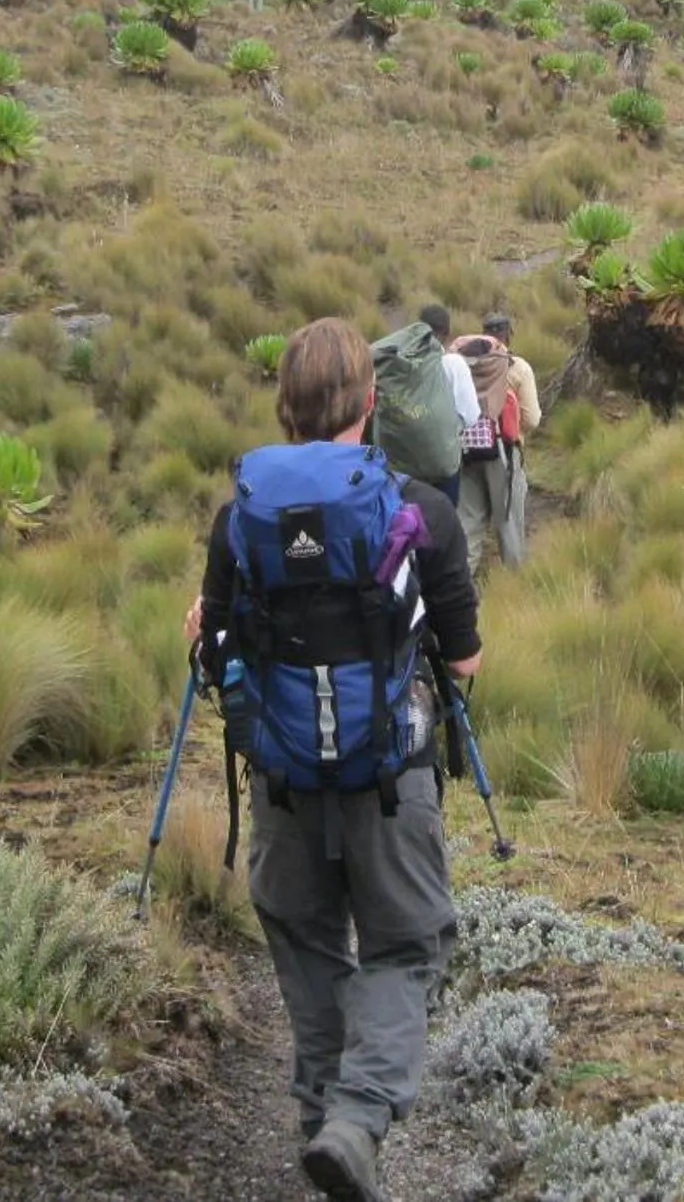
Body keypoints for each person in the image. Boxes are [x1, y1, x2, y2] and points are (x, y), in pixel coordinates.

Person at [184, 318, 482, 1202]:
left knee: (311, 950)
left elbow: (216, 652)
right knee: (407, 945)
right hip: (391, 784)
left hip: (281, 783)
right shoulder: (419, 512)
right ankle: (357, 1125)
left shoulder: (238, 520)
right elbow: (461, 662)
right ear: (372, 403)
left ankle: (327, 1133)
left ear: (284, 406)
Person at [450, 313, 541, 572]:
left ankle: (461, 584)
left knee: (469, 521)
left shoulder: (463, 365)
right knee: (508, 521)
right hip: (504, 452)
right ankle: (514, 588)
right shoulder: (517, 367)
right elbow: (532, 419)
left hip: (465, 449)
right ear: (508, 334)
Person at [418, 303, 482, 507]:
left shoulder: (401, 362)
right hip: (444, 457)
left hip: (404, 459)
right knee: (443, 516)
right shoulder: (454, 364)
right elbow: (471, 415)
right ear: (446, 333)